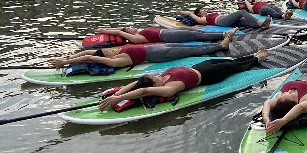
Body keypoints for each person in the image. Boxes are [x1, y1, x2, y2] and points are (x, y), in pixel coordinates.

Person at [98, 47, 270, 111]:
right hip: (209, 76)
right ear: (154, 84)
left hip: (200, 67)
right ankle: (257, 59)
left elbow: (135, 83)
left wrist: (116, 94)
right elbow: (143, 90)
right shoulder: (168, 87)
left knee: (229, 60)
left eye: (153, 74)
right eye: (154, 77)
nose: (157, 75)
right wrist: (119, 99)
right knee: (234, 67)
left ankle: (253, 55)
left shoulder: (158, 79)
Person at [50, 30, 235, 68]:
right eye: (106, 53)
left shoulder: (117, 52)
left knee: (186, 45)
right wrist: (69, 63)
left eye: (107, 51)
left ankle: (219, 42)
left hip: (155, 47)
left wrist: (66, 59)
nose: (110, 51)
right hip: (158, 55)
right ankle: (220, 45)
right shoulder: (117, 61)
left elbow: (86, 53)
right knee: (191, 51)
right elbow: (90, 58)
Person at [262, 45, 307, 134]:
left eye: (283, 94)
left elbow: (268, 102)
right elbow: (299, 108)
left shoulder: (280, 99)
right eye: (290, 94)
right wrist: (283, 121)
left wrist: (266, 118)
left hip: (302, 77)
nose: (288, 91)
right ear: (294, 102)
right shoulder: (306, 100)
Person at [91, 25, 234, 44]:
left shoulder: (139, 31)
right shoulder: (136, 37)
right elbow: (118, 32)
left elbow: (119, 28)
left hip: (168, 31)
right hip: (168, 36)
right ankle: (224, 35)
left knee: (195, 30)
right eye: (128, 29)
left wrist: (105, 28)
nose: (131, 27)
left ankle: (222, 33)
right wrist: (104, 31)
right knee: (196, 36)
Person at [177, 8, 271, 29]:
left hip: (225, 19)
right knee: (241, 12)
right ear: (198, 13)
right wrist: (181, 12)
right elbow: (189, 13)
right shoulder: (202, 19)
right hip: (221, 21)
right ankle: (260, 22)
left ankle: (262, 25)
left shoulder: (208, 15)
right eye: (202, 10)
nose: (204, 11)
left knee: (244, 21)